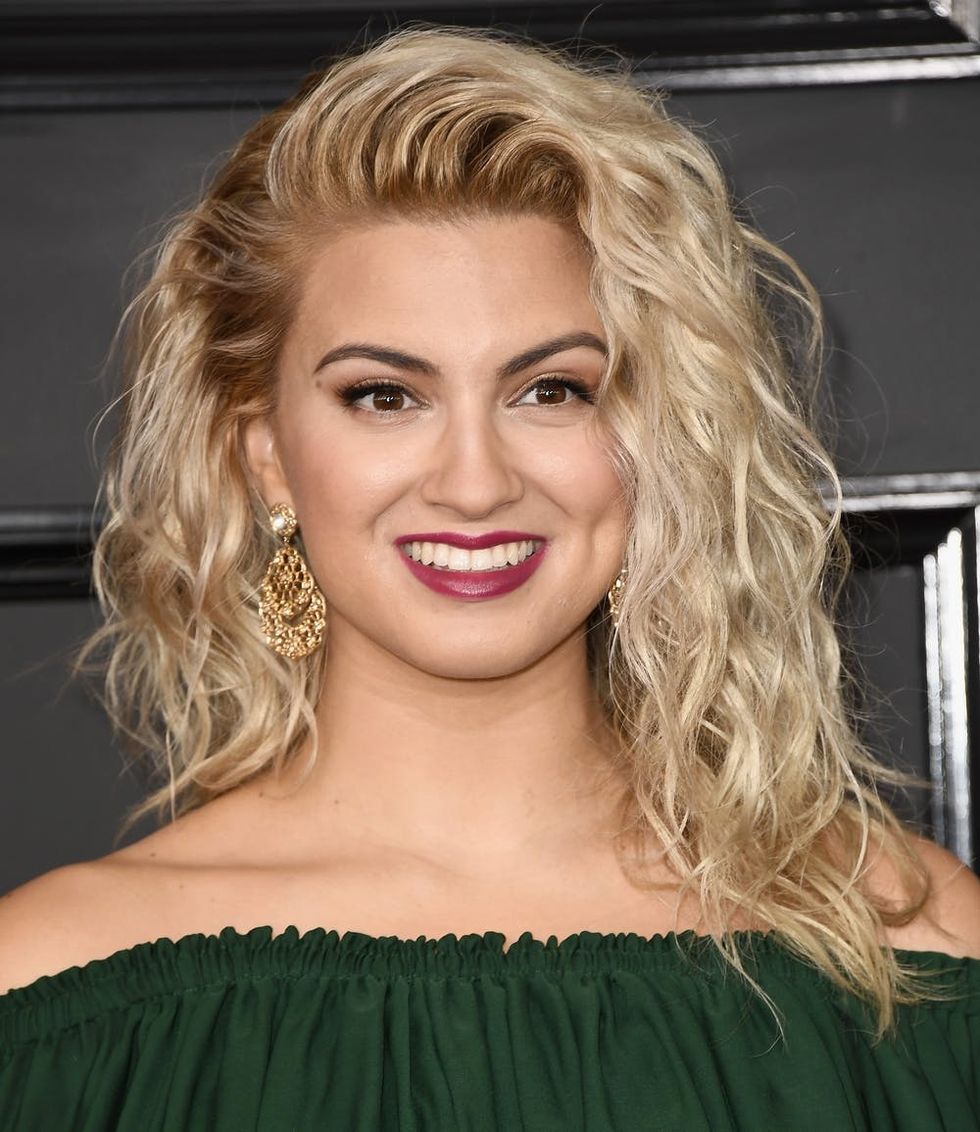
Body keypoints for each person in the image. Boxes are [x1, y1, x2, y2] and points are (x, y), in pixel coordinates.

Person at [0, 23, 977, 1130]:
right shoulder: (55, 1003)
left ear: (657, 436)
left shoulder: (913, 947)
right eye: (384, 396)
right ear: (264, 453)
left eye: (551, 390)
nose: (474, 484)